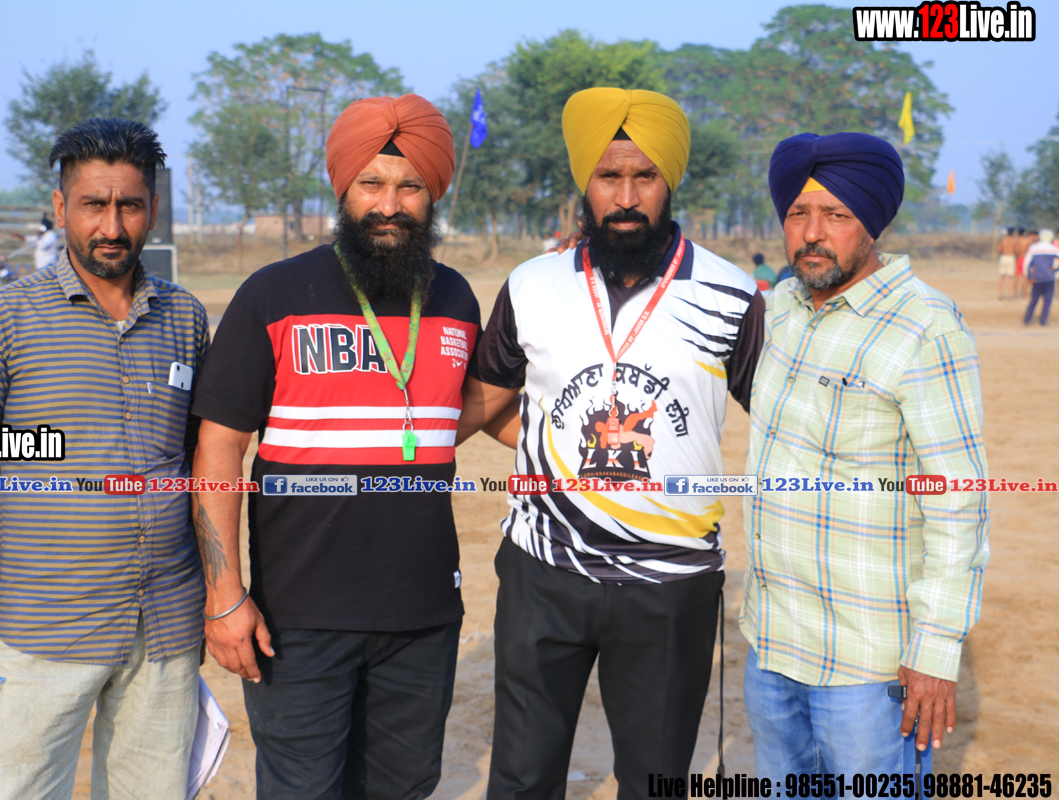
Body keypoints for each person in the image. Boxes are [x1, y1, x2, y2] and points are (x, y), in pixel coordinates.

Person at [457, 88, 765, 799]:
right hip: (543, 569)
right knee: (522, 778)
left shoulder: (732, 294)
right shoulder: (531, 285)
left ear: (670, 181)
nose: (626, 197)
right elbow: (486, 402)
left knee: (655, 782)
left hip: (672, 581)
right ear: (584, 184)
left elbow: (783, 425)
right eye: (608, 176)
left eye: (645, 176)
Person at [190, 93, 485, 800]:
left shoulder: (455, 299)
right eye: (371, 184)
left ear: (433, 194)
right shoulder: (273, 294)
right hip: (298, 617)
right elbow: (220, 447)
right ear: (342, 189)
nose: (389, 204)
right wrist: (224, 595)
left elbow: (470, 409)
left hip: (423, 615)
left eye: (409, 186)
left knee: (403, 788)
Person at [0, 118, 209, 800]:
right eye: (92, 205)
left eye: (129, 205)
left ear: (153, 209)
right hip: (41, 634)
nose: (111, 226)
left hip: (166, 634)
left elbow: (206, 467)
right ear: (60, 208)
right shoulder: (1, 321)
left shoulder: (187, 318)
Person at [744, 131, 990, 776]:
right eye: (798, 213)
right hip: (772, 646)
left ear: (872, 223)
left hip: (869, 667)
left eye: (836, 214)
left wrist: (935, 653)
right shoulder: (782, 310)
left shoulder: (924, 326)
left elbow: (958, 503)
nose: (812, 233)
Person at [1021, 228, 1059, 326]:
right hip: (1049, 278)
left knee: (1033, 300)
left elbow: (1026, 264)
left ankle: (1026, 321)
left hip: (1036, 278)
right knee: (1047, 301)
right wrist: (1055, 270)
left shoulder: (1033, 248)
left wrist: (1029, 277)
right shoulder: (1054, 248)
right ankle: (1043, 321)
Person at [995, 225, 1017, 300]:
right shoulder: (1014, 240)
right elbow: (1016, 250)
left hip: (1003, 257)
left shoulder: (1002, 240)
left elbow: (999, 250)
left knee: (1002, 277)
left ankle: (1000, 294)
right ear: (1013, 232)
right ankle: (1009, 295)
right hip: (1011, 257)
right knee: (1011, 277)